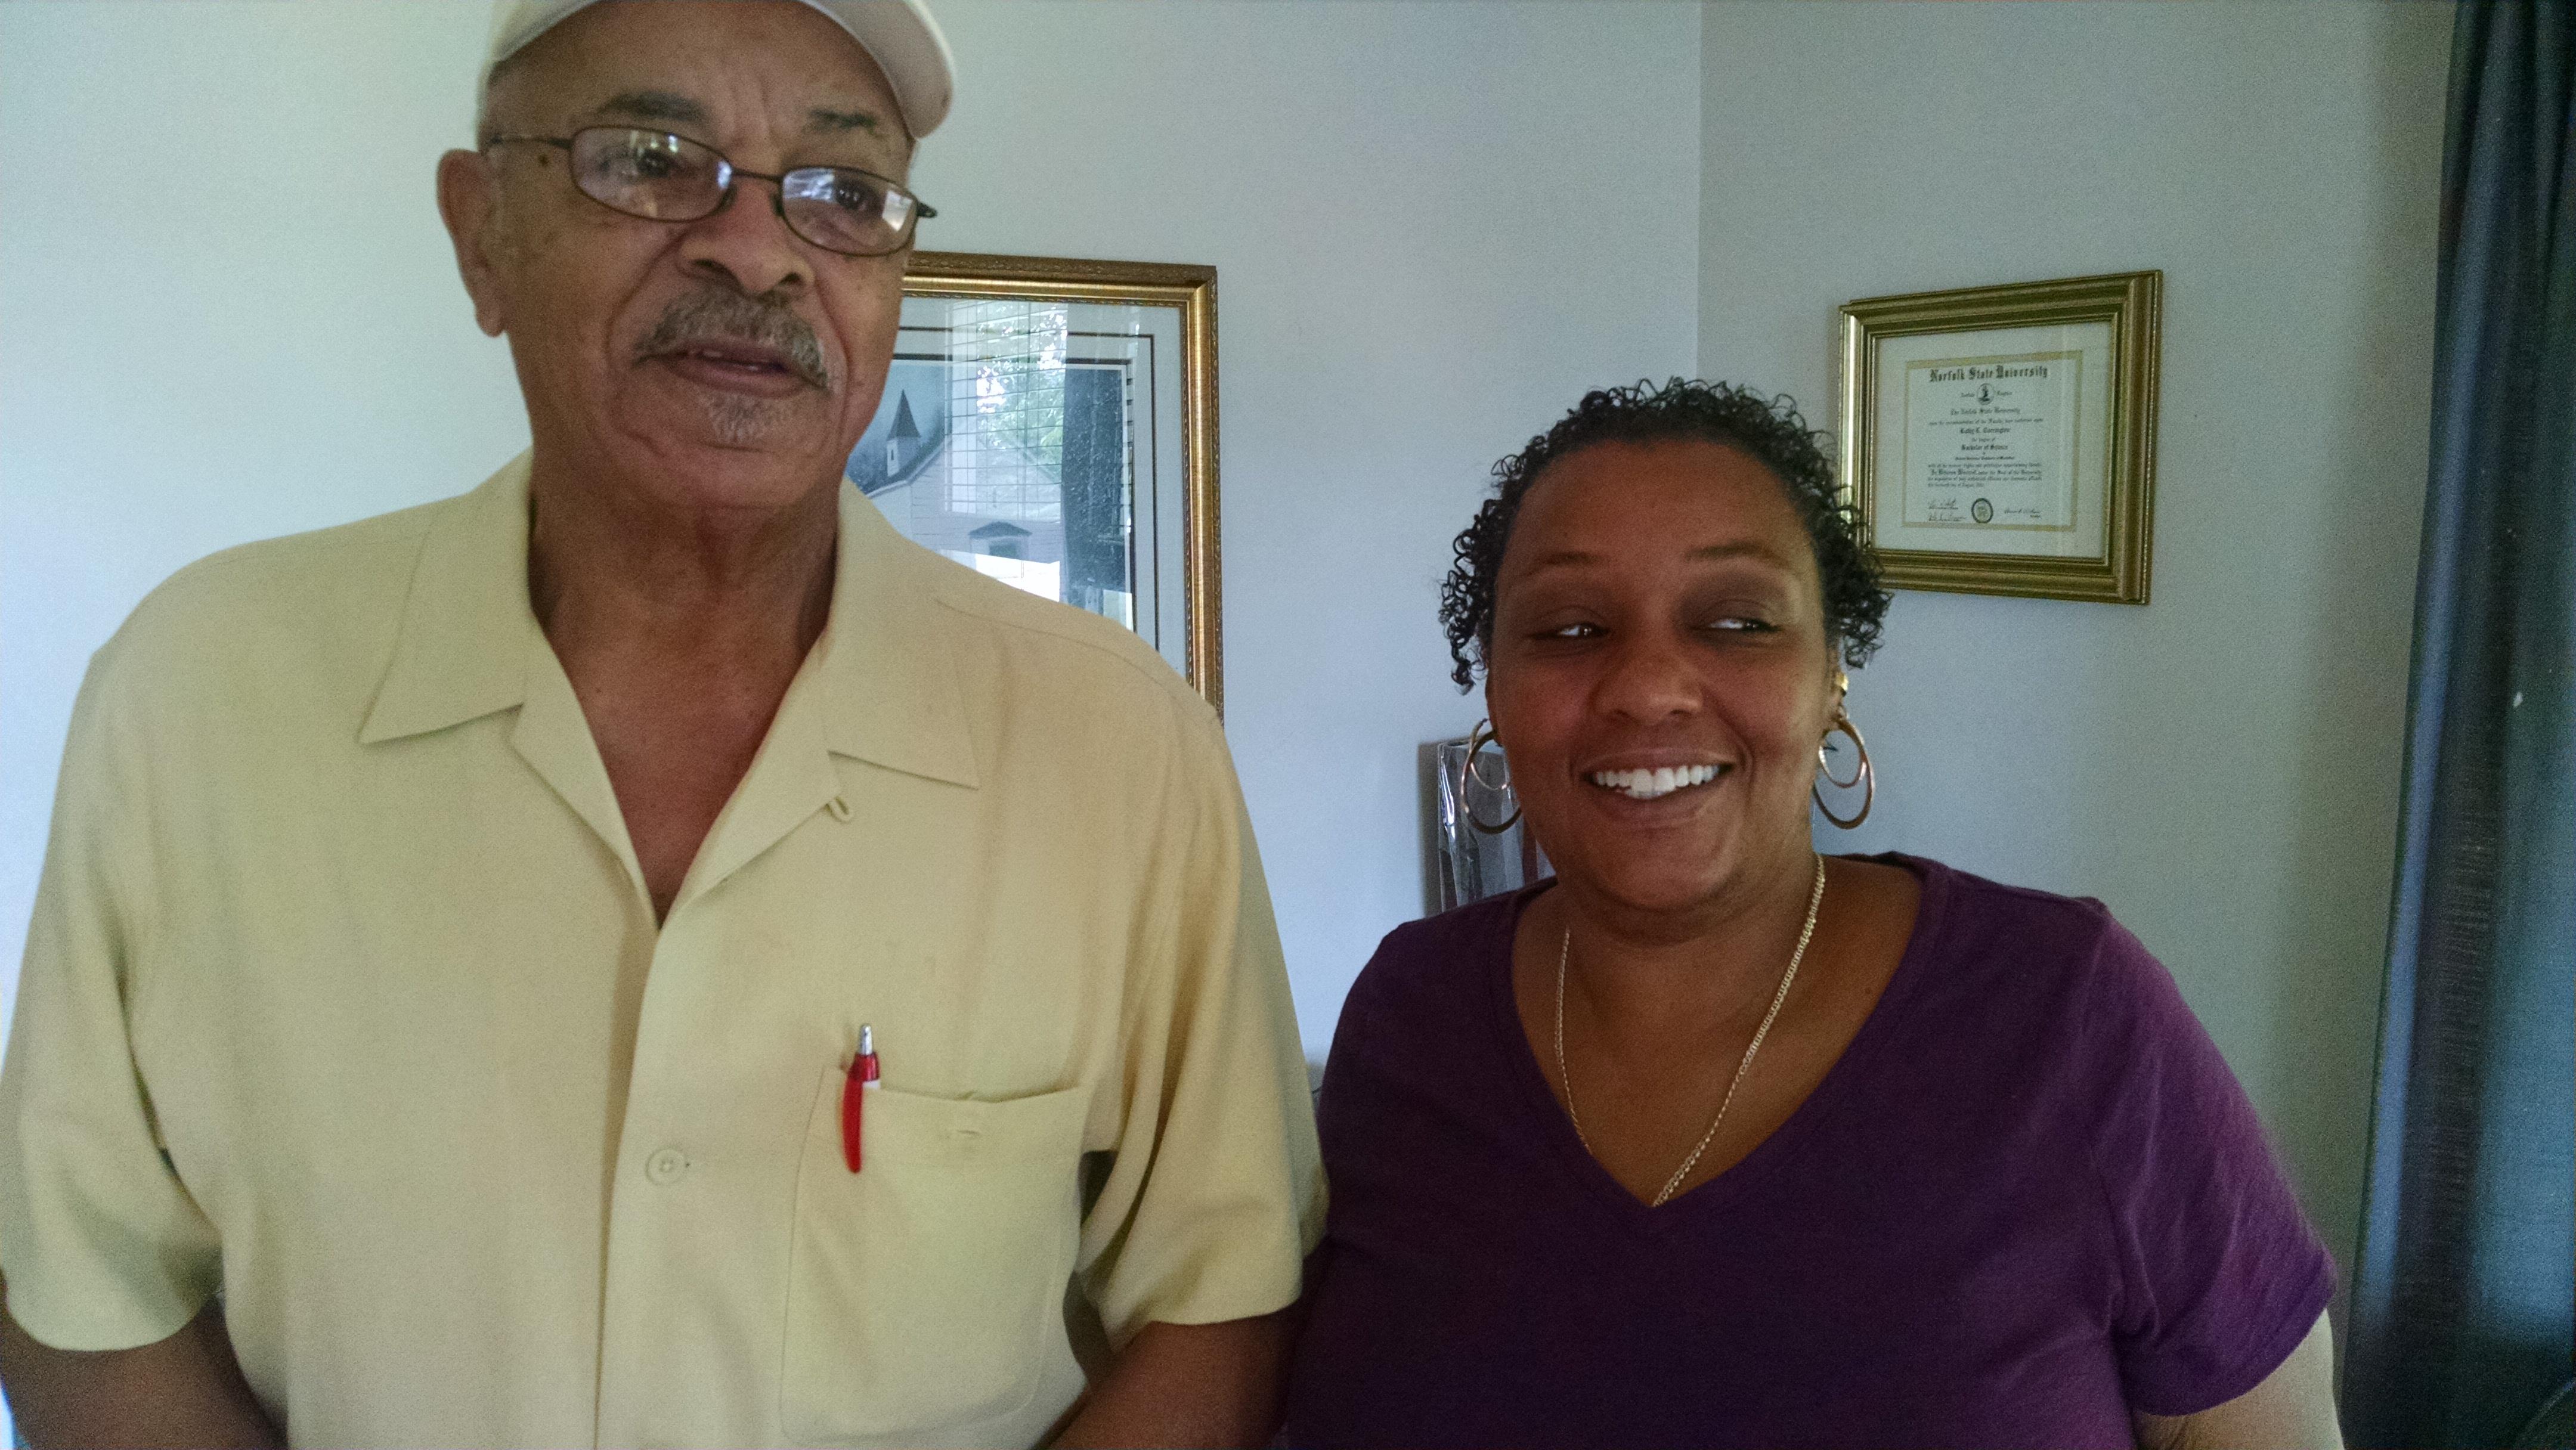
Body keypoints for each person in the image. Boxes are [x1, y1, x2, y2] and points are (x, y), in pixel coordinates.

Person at [0, 3, 1320, 1445]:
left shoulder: (1120, 751)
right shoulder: (201, 694)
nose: (757, 250)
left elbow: (1218, 1305)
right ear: (480, 231)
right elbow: (86, 1291)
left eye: (845, 190)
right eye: (650, 157)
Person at [1281, 379, 2342, 1448]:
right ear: (1496, 694)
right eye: (1569, 628)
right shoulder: (1410, 1014)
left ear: (1833, 673)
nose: (1648, 687)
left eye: (1738, 621)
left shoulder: (2067, 1015)